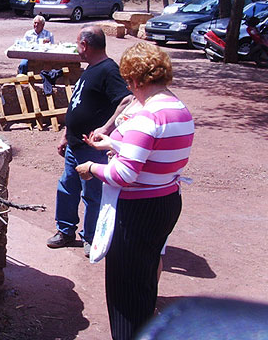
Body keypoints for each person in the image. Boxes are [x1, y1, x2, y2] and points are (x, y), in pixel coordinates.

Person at [76, 41, 194, 340]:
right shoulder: (178, 108)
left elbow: (124, 174)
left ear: (137, 80)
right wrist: (115, 144)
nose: (129, 89)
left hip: (136, 212)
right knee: (144, 282)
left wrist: (92, 168)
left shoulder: (146, 115)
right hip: (166, 200)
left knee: (125, 293)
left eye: (129, 82)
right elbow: (155, 151)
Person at [47, 25, 131, 254]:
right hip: (75, 145)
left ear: (85, 45)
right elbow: (77, 104)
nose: (77, 49)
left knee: (92, 193)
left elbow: (126, 100)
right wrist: (65, 133)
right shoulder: (90, 68)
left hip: (92, 148)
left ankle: (92, 237)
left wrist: (105, 128)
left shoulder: (108, 70)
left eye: (77, 44)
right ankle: (65, 231)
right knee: (67, 187)